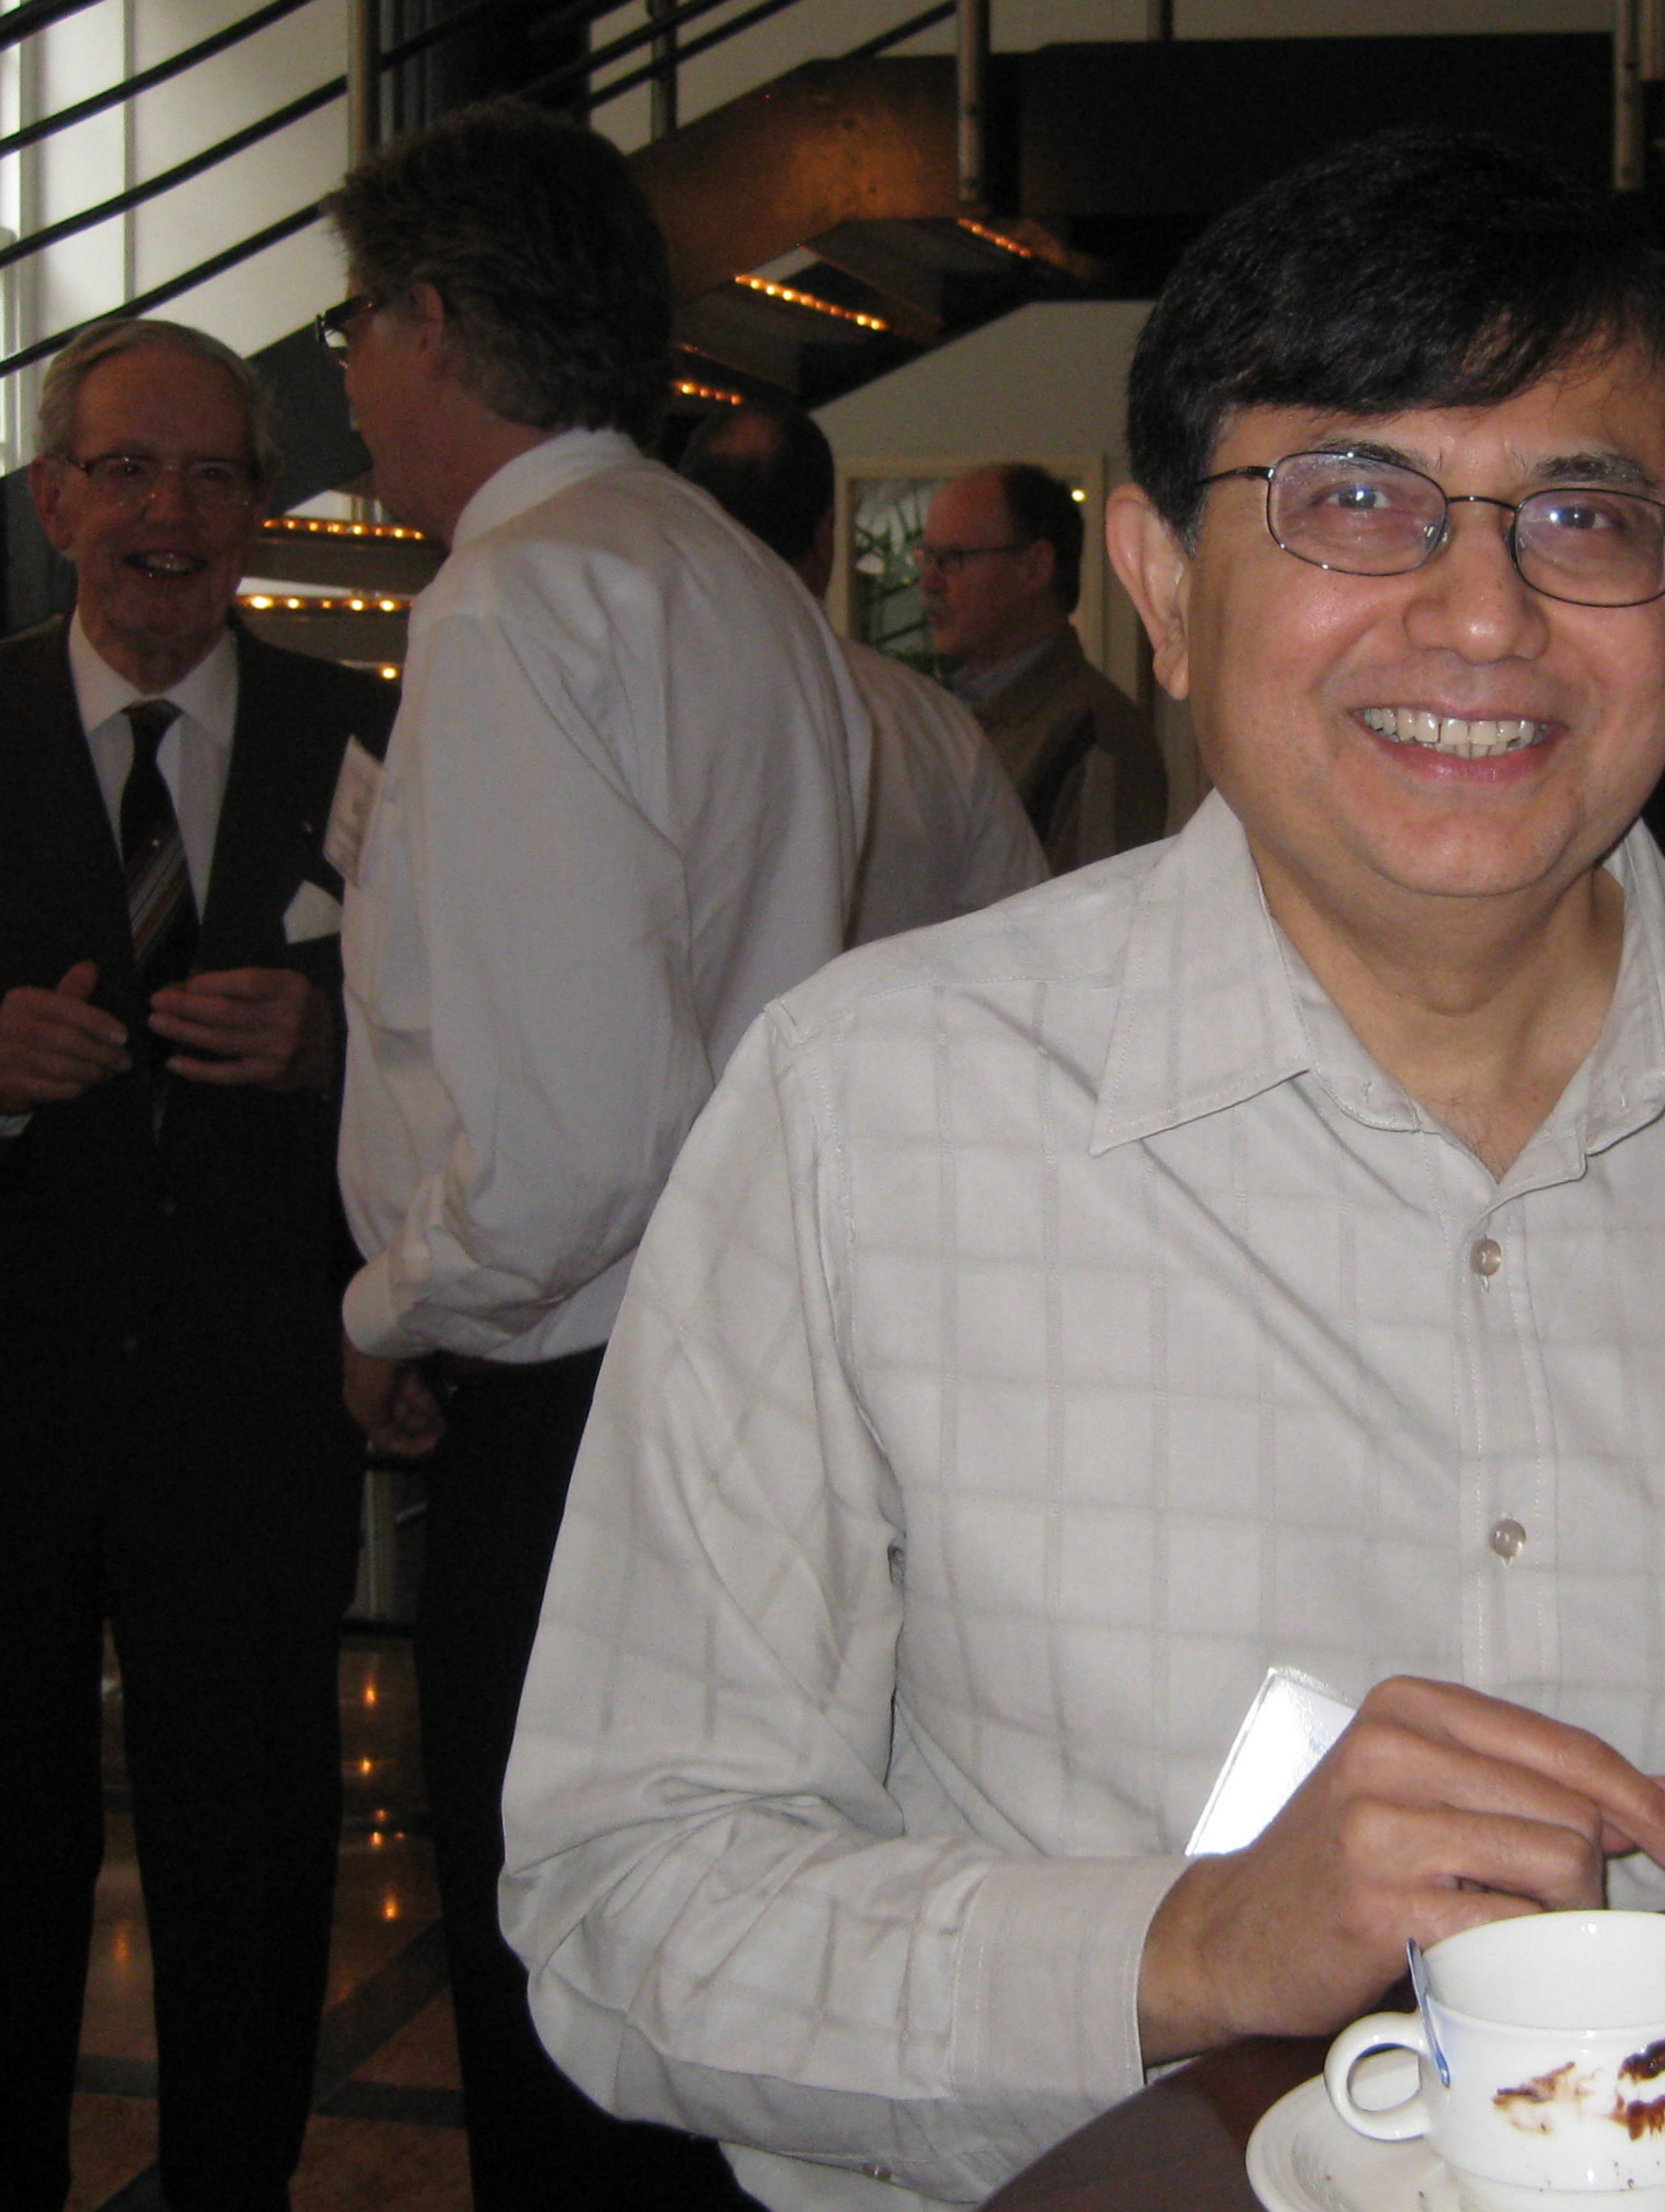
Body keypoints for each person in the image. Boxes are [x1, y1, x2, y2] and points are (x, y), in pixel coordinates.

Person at [502, 128, 1665, 2212]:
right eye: (1352, 497)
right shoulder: (859, 1118)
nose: (1481, 615)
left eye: (1582, 515)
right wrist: (1185, 1946)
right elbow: (624, 1900)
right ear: (1162, 584)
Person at [320, 103, 868, 2210]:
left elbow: (567, 1140)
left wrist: (394, 1303)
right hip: (739, 1388)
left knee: (559, 2000)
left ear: (434, 321)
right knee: (690, 1996)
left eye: (357, 323)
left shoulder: (513, 599)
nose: (347, 376)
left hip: (574, 1416)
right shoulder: (725, 579)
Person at [0, 319, 392, 2212]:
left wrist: (327, 1046)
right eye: (129, 469)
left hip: (247, 1406)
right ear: (56, 496)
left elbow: (464, 1040)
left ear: (262, 507)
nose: (171, 512)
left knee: (252, 1852)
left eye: (213, 473)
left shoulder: (362, 735)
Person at [678, 403, 1048, 942]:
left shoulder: (640, 698)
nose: (932, 581)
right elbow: (1022, 936)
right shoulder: (931, 725)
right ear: (827, 535)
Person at [920, 460, 1168, 870]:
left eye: (954, 558)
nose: (929, 581)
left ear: (1034, 568)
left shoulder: (1095, 735)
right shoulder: (947, 712)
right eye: (927, 556)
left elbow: (1094, 902)